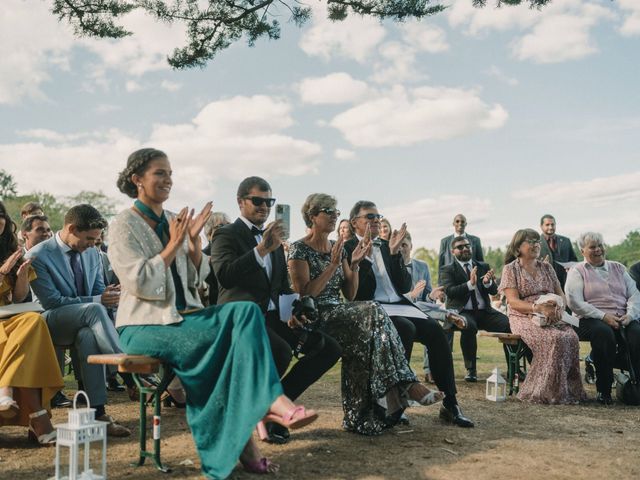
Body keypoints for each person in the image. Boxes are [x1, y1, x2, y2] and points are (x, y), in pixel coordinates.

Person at [109, 148, 318, 478]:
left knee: (246, 311)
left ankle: (267, 406)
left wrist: (192, 250)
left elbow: (195, 282)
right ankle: (261, 420)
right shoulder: (123, 225)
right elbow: (138, 282)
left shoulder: (174, 220)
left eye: (170, 173)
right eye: (159, 173)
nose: (168, 180)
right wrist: (172, 247)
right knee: (224, 357)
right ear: (137, 179)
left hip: (184, 319)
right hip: (144, 325)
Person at [288, 194, 443, 435]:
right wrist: (332, 266)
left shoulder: (335, 247)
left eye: (335, 212)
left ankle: (360, 418)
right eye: (327, 211)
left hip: (340, 311)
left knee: (366, 342)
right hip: (315, 315)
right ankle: (406, 382)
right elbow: (304, 293)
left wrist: (356, 264)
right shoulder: (299, 249)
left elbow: (350, 294)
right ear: (312, 216)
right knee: (373, 309)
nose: (333, 216)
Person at [210, 177, 341, 444]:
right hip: (239, 317)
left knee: (329, 348)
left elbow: (281, 287)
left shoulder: (276, 240)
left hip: (271, 317)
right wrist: (261, 249)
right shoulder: (226, 234)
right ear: (240, 202)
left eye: (269, 202)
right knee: (280, 351)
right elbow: (225, 276)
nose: (264, 207)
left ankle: (271, 410)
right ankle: (268, 414)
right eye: (257, 201)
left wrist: (295, 309)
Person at [344, 201, 474, 428]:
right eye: (369, 216)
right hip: (372, 308)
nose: (375, 220)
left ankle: (450, 404)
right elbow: (357, 293)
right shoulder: (347, 248)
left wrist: (396, 256)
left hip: (399, 304)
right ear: (355, 222)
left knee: (436, 332)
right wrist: (363, 259)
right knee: (405, 328)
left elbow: (404, 285)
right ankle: (396, 404)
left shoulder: (386, 246)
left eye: (378, 216)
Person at [26, 205, 132, 436]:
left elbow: (98, 291)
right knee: (93, 309)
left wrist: (110, 296)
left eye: (96, 240)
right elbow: (52, 302)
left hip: (85, 321)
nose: (93, 245)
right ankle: (126, 367)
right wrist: (98, 300)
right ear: (72, 228)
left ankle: (98, 411)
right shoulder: (37, 255)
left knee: (87, 336)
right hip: (49, 321)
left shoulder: (93, 253)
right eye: (89, 239)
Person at [0, 202, 63, 445]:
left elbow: (18, 297)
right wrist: (2, 272)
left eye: (1, 216)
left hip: (7, 316)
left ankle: (6, 390)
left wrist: (22, 275)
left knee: (34, 322)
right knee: (25, 336)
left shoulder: (11, 248)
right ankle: (39, 419)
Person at [499, 228, 586, 404]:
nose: (536, 244)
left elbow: (560, 293)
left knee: (571, 337)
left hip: (552, 314)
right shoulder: (511, 270)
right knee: (554, 339)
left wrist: (558, 307)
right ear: (518, 248)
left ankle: (568, 391)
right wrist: (538, 308)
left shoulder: (547, 267)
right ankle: (544, 391)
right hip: (523, 316)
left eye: (537, 241)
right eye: (530, 241)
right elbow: (514, 302)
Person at [565, 232, 640, 404]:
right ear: (583, 251)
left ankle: (637, 388)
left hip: (622, 317)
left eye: (600, 245)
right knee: (604, 333)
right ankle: (604, 390)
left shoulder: (618, 267)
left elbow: (635, 294)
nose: (598, 249)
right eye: (592, 247)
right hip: (588, 318)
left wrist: (630, 315)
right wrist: (603, 316)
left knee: (637, 333)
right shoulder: (577, 271)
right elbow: (574, 301)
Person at [439, 236, 511, 382]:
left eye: (467, 246)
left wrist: (487, 282)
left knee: (510, 324)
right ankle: (471, 369)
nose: (465, 248)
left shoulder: (483, 266)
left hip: (485, 312)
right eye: (460, 247)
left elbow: (493, 291)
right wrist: (470, 284)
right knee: (468, 325)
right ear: (453, 252)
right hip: (462, 311)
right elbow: (450, 291)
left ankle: (514, 370)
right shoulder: (447, 269)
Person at [538, 214, 578, 288]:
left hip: (566, 283)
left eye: (552, 224)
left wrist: (571, 268)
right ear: (541, 226)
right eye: (547, 225)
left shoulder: (566, 241)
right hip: (545, 284)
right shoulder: (536, 243)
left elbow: (574, 260)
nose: (550, 227)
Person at [202, 212, 231, 305]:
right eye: (221, 226)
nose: (227, 229)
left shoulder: (236, 252)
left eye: (229, 225)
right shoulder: (202, 256)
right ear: (209, 234)